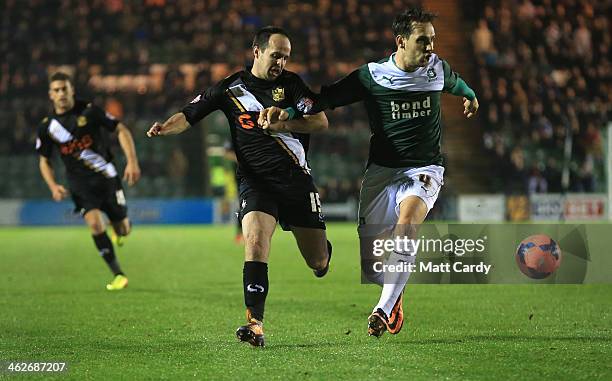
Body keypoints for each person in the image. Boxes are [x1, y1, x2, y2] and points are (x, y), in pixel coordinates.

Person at [259, 7, 479, 337]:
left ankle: (383, 309)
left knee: (407, 225)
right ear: (401, 41)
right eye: (423, 41)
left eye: (433, 41)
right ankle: (395, 293)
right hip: (382, 173)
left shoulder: (436, 68)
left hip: (424, 168)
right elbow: (326, 99)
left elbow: (457, 82)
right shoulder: (373, 76)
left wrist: (471, 96)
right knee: (374, 266)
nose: (431, 48)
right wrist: (289, 110)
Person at [147, 26, 332, 347]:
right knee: (256, 241)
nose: (281, 63)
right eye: (276, 55)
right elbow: (190, 113)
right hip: (255, 182)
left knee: (317, 262)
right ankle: (255, 323)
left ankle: (324, 254)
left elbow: (320, 121)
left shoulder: (291, 85)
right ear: (257, 52)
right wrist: (164, 128)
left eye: (286, 57)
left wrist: (282, 121)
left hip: (296, 183)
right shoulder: (230, 88)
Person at [36, 72, 141, 291]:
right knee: (94, 223)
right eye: (56, 90)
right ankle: (118, 274)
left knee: (123, 229)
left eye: (64, 88)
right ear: (50, 95)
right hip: (80, 185)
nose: (61, 94)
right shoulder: (47, 127)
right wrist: (53, 186)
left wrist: (131, 161)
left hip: (106, 178)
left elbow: (121, 129)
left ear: (72, 90)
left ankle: (119, 229)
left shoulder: (90, 111)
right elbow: (44, 160)